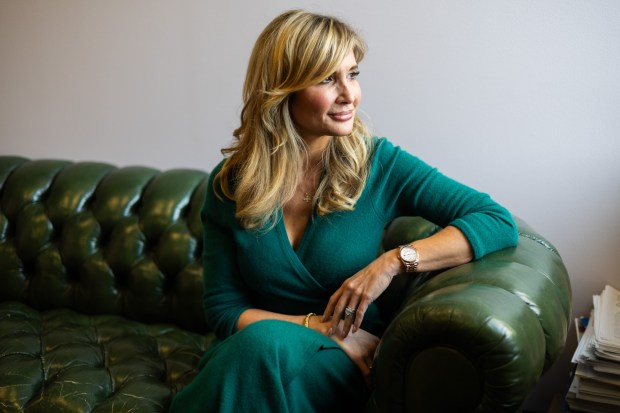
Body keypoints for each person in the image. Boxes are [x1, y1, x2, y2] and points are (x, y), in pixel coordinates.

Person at [170, 9, 518, 413]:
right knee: (255, 350)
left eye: (352, 74)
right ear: (283, 89)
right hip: (264, 347)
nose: (349, 95)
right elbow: (224, 310)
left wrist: (391, 263)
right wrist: (320, 328)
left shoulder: (381, 164)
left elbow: (494, 221)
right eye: (326, 79)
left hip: (340, 362)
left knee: (253, 357)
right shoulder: (231, 184)